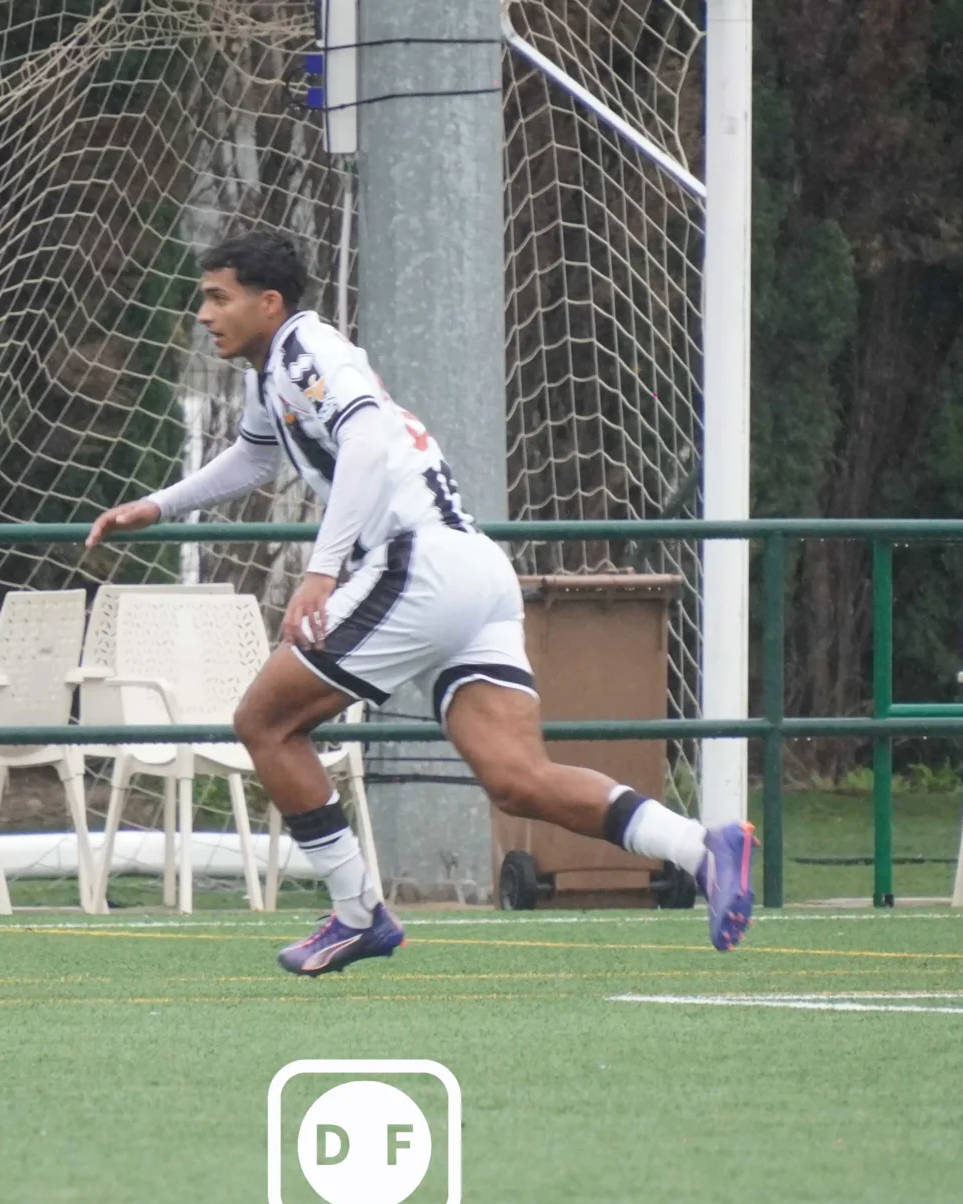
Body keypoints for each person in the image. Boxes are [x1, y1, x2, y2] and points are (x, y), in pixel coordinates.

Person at [89, 231, 755, 973]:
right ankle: (702, 847)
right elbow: (255, 453)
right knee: (517, 781)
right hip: (473, 569)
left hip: (416, 563)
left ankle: (355, 913)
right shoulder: (273, 373)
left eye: (218, 297)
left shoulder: (307, 350)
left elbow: (368, 440)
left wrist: (322, 570)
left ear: (267, 302)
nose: (204, 313)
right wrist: (158, 505)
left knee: (264, 723)